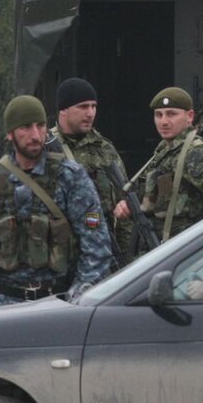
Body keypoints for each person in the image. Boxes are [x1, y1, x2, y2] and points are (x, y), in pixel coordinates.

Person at [0, 95, 113, 307]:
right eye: (25, 127)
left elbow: (97, 246)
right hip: (2, 308)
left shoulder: (70, 177)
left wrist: (76, 299)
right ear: (10, 134)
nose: (35, 135)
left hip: (56, 305)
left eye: (40, 126)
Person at [47, 77, 138, 264]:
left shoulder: (104, 150)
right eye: (83, 107)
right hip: (56, 260)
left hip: (100, 258)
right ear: (63, 109)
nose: (90, 113)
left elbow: (124, 208)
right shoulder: (44, 148)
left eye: (93, 106)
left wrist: (125, 261)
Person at [141, 87, 203, 240]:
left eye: (171, 114)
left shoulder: (195, 151)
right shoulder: (164, 149)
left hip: (184, 248)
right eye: (158, 115)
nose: (164, 121)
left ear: (190, 116)